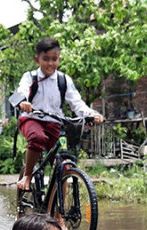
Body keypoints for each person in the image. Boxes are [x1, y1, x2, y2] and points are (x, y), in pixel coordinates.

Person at [13, 37, 104, 192]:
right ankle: (27, 175)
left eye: (54, 59)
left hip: (55, 123)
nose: (50, 63)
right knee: (37, 138)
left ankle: (58, 214)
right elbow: (19, 92)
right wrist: (23, 102)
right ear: (37, 60)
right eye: (45, 59)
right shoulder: (30, 77)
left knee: (64, 163)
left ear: (59, 59)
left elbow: (76, 102)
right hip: (32, 119)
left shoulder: (63, 80)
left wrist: (91, 113)